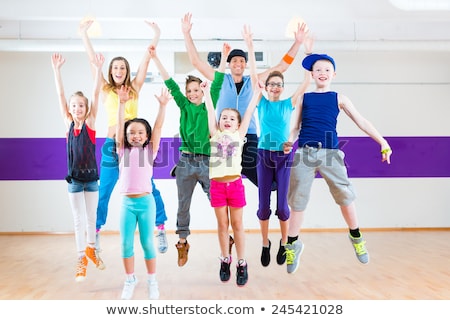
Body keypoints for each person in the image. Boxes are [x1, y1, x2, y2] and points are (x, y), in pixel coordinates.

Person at [284, 53, 393, 274]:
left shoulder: (339, 98)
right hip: (305, 152)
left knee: (344, 196)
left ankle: (356, 236)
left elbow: (362, 121)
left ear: (334, 74)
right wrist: (289, 141)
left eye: (326, 69)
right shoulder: (305, 98)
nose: (322, 73)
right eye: (318, 70)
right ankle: (293, 243)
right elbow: (295, 127)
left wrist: (382, 141)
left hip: (331, 154)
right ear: (312, 75)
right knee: (297, 201)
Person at [181, 12, 307, 188]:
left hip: (248, 137)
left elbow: (281, 67)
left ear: (246, 64)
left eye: (241, 60)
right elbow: (196, 62)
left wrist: (298, 43)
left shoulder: (253, 82)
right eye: (234, 61)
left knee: (270, 185)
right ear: (230, 64)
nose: (238, 63)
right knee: (219, 183)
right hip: (223, 137)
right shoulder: (221, 80)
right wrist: (186, 33)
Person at [79, 20, 169, 256]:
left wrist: (156, 34)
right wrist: (84, 35)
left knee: (150, 187)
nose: (119, 71)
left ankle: (161, 228)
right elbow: (92, 62)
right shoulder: (106, 89)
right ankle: (94, 234)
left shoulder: (135, 88)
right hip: (112, 146)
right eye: (115, 68)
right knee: (104, 189)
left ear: (127, 72)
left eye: (123, 68)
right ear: (110, 71)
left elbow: (147, 58)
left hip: (135, 148)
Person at [241, 26, 312, 268]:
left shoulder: (288, 103)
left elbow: (306, 81)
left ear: (282, 87)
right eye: (270, 84)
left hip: (283, 157)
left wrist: (307, 51)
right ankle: (264, 244)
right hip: (263, 155)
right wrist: (250, 47)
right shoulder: (260, 103)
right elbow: (252, 75)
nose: (274, 87)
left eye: (278, 84)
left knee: (283, 207)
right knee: (263, 207)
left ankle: (283, 243)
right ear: (266, 87)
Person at [148, 43, 225, 267]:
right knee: (183, 204)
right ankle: (183, 243)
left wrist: (225, 57)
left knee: (217, 201)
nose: (191, 94)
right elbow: (170, 84)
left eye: (196, 90)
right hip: (185, 162)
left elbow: (218, 82)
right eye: (189, 91)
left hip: (206, 162)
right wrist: (155, 58)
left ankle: (226, 237)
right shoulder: (183, 106)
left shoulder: (207, 107)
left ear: (203, 91)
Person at [201, 42, 259, 286]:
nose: (226, 120)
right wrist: (205, 93)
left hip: (234, 185)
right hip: (217, 186)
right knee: (222, 225)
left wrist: (257, 93)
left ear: (237, 124)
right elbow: (210, 107)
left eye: (230, 118)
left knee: (237, 224)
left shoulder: (239, 134)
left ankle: (242, 262)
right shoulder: (214, 133)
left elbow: (249, 110)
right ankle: (225, 258)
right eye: (223, 117)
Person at [51, 52, 105, 281]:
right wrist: (57, 71)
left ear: (86, 108)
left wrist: (99, 69)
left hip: (91, 178)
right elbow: (61, 94)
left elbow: (95, 92)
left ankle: (92, 249)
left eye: (81, 105)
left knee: (91, 216)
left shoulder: (90, 124)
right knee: (78, 219)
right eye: (73, 106)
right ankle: (81, 258)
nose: (77, 108)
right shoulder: (68, 124)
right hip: (73, 179)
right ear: (70, 109)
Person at [115, 84, 171, 300]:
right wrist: (121, 104)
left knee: (147, 243)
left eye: (140, 132)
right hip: (127, 205)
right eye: (132, 133)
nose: (136, 136)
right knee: (125, 243)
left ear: (146, 136)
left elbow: (158, 128)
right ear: (126, 137)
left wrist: (163, 107)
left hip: (146, 203)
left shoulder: (150, 150)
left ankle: (152, 280)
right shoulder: (122, 150)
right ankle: (130, 279)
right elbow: (120, 125)